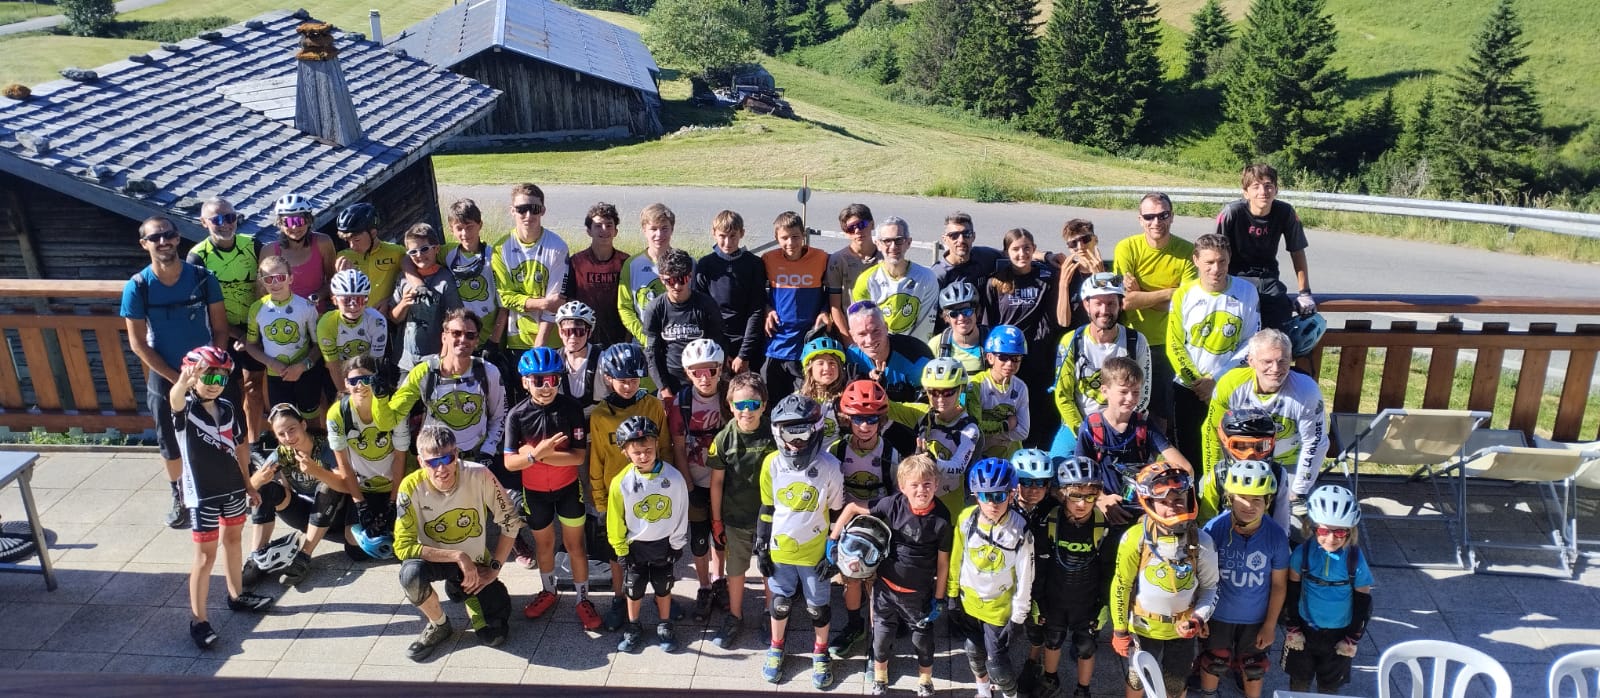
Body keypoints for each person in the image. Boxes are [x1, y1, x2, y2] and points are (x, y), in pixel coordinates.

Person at [124, 215, 230, 528]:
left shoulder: (203, 277)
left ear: (178, 237)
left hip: (208, 372)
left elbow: (220, 328)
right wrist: (179, 381)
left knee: (220, 431)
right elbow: (138, 344)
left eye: (168, 235)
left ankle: (225, 488)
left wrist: (214, 366)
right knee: (169, 441)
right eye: (154, 238)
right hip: (165, 376)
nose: (163, 242)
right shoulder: (138, 286)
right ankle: (179, 494)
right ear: (144, 244)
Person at [168, 347, 274, 650]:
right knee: (205, 557)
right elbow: (175, 400)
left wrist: (248, 485)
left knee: (233, 540)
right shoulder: (186, 410)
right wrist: (183, 382)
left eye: (222, 378)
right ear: (193, 376)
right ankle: (198, 620)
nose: (215, 384)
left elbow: (239, 447)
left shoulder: (227, 407)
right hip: (202, 493)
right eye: (209, 377)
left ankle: (236, 595)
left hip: (232, 487)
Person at [394, 424, 523, 661]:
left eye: (447, 458)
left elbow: (511, 522)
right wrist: (457, 556)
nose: (441, 468)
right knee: (410, 576)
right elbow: (402, 547)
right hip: (435, 560)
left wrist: (494, 569)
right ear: (421, 462)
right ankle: (439, 624)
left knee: (494, 635)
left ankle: (464, 590)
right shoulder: (409, 486)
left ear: (456, 454)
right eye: (433, 462)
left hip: (475, 561)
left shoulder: (479, 475)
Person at [829, 453, 950, 697]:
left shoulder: (942, 518)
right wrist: (832, 540)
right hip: (885, 589)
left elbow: (943, 562)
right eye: (914, 485)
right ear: (902, 486)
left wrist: (939, 598)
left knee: (923, 642)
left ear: (936, 484)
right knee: (881, 640)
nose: (921, 490)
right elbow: (852, 507)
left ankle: (925, 681)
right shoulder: (892, 504)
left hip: (919, 594)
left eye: (927, 484)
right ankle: (880, 678)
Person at [756, 394, 846, 689]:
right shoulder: (771, 464)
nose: (795, 443)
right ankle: (776, 646)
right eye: (788, 434)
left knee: (818, 608)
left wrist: (833, 552)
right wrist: (761, 545)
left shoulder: (830, 466)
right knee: (780, 603)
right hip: (780, 550)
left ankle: (820, 652)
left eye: (802, 433)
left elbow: (836, 513)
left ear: (816, 430)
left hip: (815, 552)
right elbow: (767, 508)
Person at [504, 347, 597, 628]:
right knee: (543, 546)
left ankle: (583, 599)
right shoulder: (517, 416)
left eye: (553, 380)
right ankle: (548, 591)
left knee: (575, 546)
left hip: (568, 488)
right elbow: (510, 463)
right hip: (534, 494)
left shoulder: (571, 409)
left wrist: (537, 454)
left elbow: (578, 457)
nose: (546, 387)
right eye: (538, 380)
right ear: (525, 382)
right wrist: (534, 455)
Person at [1109, 462, 1219, 698]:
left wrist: (1198, 619)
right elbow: (1121, 584)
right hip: (1143, 627)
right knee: (1136, 681)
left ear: (1189, 498)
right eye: (1164, 502)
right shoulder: (1134, 538)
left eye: (1178, 499)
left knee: (1176, 684)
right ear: (1149, 503)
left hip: (1182, 629)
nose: (1172, 507)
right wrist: (1119, 629)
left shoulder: (1203, 541)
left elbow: (1211, 587)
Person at [1201, 330, 1328, 528]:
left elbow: (1315, 442)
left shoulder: (1306, 391)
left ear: (1291, 359)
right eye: (1267, 361)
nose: (1275, 369)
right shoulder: (1230, 384)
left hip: (1287, 463)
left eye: (1282, 361)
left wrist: (1299, 490)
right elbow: (1212, 432)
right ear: (1251, 361)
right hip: (1240, 459)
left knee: (1295, 526)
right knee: (1211, 501)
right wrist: (1214, 475)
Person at [587, 342, 673, 631]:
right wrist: (600, 503)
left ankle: (660, 597)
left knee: (655, 549)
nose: (628, 386)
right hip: (617, 497)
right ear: (608, 378)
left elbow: (665, 449)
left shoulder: (653, 406)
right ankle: (618, 598)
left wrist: (670, 488)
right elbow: (597, 460)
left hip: (652, 492)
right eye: (622, 380)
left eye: (634, 380)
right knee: (617, 552)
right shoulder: (600, 415)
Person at [825, 379, 903, 661]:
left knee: (875, 583)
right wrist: (832, 535)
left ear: (880, 420)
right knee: (851, 578)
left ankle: (877, 639)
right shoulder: (837, 451)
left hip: (879, 526)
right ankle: (854, 625)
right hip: (846, 526)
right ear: (848, 419)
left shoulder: (890, 454)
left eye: (872, 419)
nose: (865, 426)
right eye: (858, 419)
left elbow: (898, 497)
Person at [1197, 460, 1289, 698]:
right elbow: (1201, 577)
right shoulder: (1213, 529)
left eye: (1257, 499)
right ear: (1230, 498)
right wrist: (1200, 615)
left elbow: (1279, 585)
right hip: (1218, 614)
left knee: (1254, 667)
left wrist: (1270, 625)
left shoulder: (1276, 536)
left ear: (1268, 501)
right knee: (1214, 661)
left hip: (1256, 618)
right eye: (1242, 498)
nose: (1249, 505)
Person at [1167, 234, 1260, 467]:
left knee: (1232, 452)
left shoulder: (1247, 292)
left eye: (1222, 261)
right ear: (1196, 260)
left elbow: (1251, 342)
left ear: (1229, 260)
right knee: (1189, 455)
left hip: (1230, 386)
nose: (1216, 269)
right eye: (1209, 262)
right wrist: (1198, 383)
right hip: (1189, 387)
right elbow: (1174, 344)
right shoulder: (1183, 294)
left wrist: (1217, 379)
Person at [1026, 456, 1115, 698]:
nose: (1082, 504)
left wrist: (1104, 605)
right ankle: (1050, 678)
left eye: (1090, 497)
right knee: (1052, 640)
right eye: (1075, 496)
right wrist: (1037, 600)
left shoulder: (1102, 526)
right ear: (1062, 494)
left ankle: (1083, 689)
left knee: (1086, 646)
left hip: (1087, 601)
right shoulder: (1050, 522)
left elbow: (1108, 570)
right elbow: (1040, 566)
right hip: (1055, 597)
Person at [388, 310, 508, 486]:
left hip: (474, 458)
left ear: (476, 341)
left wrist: (488, 451)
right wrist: (378, 399)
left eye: (470, 335)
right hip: (435, 461)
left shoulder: (488, 371)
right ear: (444, 337)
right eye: (456, 333)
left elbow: (499, 416)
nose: (463, 339)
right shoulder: (425, 372)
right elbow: (392, 415)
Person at [185, 197, 267, 451]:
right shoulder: (197, 256)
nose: (225, 224)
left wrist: (251, 331)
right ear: (203, 222)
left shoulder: (253, 245)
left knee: (254, 386)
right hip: (221, 331)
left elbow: (266, 285)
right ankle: (229, 441)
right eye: (217, 219)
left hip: (254, 327)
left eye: (230, 217)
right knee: (226, 389)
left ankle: (253, 443)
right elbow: (201, 304)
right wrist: (236, 333)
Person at [948, 458, 1034, 698]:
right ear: (976, 496)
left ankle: (1010, 695)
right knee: (973, 651)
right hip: (969, 602)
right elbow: (956, 558)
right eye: (986, 496)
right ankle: (984, 692)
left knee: (998, 666)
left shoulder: (1020, 529)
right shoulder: (966, 519)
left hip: (999, 607)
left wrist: (1019, 616)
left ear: (1011, 494)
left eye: (999, 496)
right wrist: (952, 595)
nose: (992, 503)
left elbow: (1026, 575)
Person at [607, 415, 691, 653]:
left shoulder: (673, 478)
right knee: (633, 588)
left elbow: (681, 511)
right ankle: (634, 626)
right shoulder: (620, 483)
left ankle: (664, 624)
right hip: (636, 546)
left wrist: (677, 544)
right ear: (625, 452)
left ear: (656, 446)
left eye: (648, 450)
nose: (644, 456)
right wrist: (620, 549)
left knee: (664, 586)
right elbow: (615, 519)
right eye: (637, 453)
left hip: (664, 544)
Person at [1114, 192, 1197, 432]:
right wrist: (1170, 292)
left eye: (1163, 215)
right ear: (1140, 219)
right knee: (1126, 405)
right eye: (1149, 217)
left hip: (1168, 342)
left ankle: (1159, 452)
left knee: (1162, 412)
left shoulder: (1187, 252)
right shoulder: (1127, 248)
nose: (1156, 222)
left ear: (1172, 216)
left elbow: (1185, 304)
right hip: (1130, 340)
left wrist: (1141, 294)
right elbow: (1126, 302)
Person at [1075, 357, 1190, 526]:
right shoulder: (1091, 427)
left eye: (1136, 392)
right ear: (1104, 391)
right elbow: (1080, 476)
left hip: (1143, 511)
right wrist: (1101, 499)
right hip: (1105, 510)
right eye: (1123, 392)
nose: (1130, 398)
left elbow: (1185, 467)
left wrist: (1164, 499)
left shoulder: (1144, 425)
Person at [1281, 485, 1373, 695]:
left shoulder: (1355, 560)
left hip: (1339, 634)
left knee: (1329, 687)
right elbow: (1292, 593)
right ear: (1311, 526)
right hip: (1305, 629)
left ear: (1351, 531)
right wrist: (1293, 627)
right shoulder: (1302, 554)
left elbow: (1363, 603)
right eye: (1323, 531)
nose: (1331, 539)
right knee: (1299, 683)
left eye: (1340, 532)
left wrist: (1352, 638)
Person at [707, 372, 776, 649]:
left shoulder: (775, 434)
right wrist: (716, 521)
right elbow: (716, 483)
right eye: (740, 405)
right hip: (735, 518)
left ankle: (770, 614)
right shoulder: (724, 438)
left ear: (764, 405)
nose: (747, 411)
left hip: (770, 518)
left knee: (770, 569)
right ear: (730, 406)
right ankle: (734, 616)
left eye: (753, 404)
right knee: (735, 570)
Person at [664, 338, 730, 622]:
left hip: (724, 480)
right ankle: (704, 586)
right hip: (694, 478)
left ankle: (719, 579)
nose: (705, 378)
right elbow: (678, 448)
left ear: (720, 369)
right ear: (687, 373)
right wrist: (689, 487)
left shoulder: (729, 396)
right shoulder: (682, 402)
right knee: (699, 538)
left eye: (711, 370)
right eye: (696, 372)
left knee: (720, 536)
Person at [1051, 272, 1151, 457]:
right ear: (1086, 305)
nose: (1104, 310)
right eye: (1098, 303)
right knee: (1056, 467)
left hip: (1123, 425)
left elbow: (1143, 394)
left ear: (1121, 304)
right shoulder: (1071, 341)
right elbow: (1063, 395)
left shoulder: (1136, 341)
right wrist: (1085, 433)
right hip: (1080, 424)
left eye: (1111, 303)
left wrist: (1117, 430)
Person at [249, 403, 350, 586]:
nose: (288, 438)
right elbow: (250, 488)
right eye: (281, 434)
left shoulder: (325, 446)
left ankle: (304, 556)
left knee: (327, 487)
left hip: (334, 515)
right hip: (303, 515)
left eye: (292, 429)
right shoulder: (283, 453)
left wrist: (317, 471)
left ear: (303, 425)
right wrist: (259, 479)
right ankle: (257, 557)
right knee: (265, 488)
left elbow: (347, 486)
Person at [324, 354, 409, 562]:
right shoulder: (337, 413)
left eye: (366, 379)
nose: (360, 386)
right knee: (355, 549)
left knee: (402, 544)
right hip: (364, 487)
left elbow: (400, 459)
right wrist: (360, 505)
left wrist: (393, 503)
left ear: (376, 379)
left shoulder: (393, 407)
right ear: (346, 384)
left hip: (395, 485)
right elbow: (343, 464)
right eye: (353, 381)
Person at [981, 228, 1062, 444]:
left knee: (1037, 409)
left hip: (1036, 354)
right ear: (1006, 252)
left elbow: (1051, 318)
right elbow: (989, 324)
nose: (1022, 254)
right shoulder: (995, 282)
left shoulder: (1046, 278)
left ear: (1034, 249)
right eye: (1015, 249)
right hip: (1005, 356)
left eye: (1027, 248)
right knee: (1006, 406)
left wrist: (1048, 257)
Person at [1214, 164, 1315, 333]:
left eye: (1268, 186)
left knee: (1279, 332)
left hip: (1268, 279)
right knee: (1233, 329)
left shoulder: (1285, 212)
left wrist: (1304, 292)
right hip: (1235, 278)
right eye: (1256, 186)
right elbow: (1215, 252)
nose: (1263, 191)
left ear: (1276, 190)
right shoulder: (1231, 213)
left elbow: (1297, 251)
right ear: (1246, 192)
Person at [887, 358, 981, 515]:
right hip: (919, 499)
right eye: (934, 392)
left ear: (961, 390)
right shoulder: (923, 413)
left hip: (949, 503)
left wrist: (933, 461)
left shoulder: (969, 428)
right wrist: (877, 386)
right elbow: (888, 408)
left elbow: (958, 468)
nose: (940, 399)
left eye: (948, 392)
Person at [245, 255, 326, 423]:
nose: (275, 283)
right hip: (276, 375)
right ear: (262, 282)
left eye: (280, 277)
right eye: (269, 279)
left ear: (291, 278)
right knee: (282, 421)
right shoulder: (256, 308)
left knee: (311, 421)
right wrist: (271, 363)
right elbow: (250, 345)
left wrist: (302, 366)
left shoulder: (306, 306)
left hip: (305, 372)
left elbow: (318, 346)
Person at [762, 210, 831, 404]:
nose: (790, 243)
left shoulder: (822, 258)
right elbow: (755, 292)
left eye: (795, 237)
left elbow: (833, 290)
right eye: (784, 238)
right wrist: (767, 309)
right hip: (775, 343)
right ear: (776, 237)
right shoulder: (768, 259)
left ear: (803, 235)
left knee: (806, 402)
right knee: (771, 402)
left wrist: (825, 310)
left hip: (807, 342)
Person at [492, 183, 570, 351]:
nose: (528, 215)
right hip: (517, 339)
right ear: (512, 211)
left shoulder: (558, 247)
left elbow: (555, 304)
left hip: (551, 341)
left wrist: (538, 348)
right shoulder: (500, 249)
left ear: (543, 210)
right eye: (522, 209)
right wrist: (543, 303)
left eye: (534, 209)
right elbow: (505, 298)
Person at [644, 248, 727, 400]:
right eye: (671, 280)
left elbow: (718, 344)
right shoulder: (655, 308)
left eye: (681, 279)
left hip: (703, 379)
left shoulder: (706, 305)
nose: (677, 286)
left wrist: (713, 381)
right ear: (662, 279)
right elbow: (652, 353)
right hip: (671, 381)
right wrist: (664, 388)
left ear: (690, 276)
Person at [1011, 449, 1060, 697]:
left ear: (1048, 485)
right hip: (1012, 576)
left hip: (1044, 575)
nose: (1033, 489)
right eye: (1026, 482)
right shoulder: (1004, 505)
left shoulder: (1055, 510)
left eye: (1040, 483)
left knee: (1039, 625)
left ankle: (1033, 660)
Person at [695, 210, 767, 374]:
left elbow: (756, 310)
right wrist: (721, 349)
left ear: (742, 233)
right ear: (714, 233)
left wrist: (744, 354)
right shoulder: (705, 265)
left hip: (748, 343)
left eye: (733, 236)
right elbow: (703, 312)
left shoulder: (754, 264)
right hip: (716, 342)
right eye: (722, 236)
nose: (727, 242)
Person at [390, 224, 463, 373]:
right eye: (413, 251)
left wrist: (445, 355)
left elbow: (454, 320)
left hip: (434, 358)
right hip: (405, 360)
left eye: (424, 249)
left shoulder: (445, 280)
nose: (419, 255)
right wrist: (403, 303)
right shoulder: (403, 278)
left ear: (436, 249)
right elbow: (394, 318)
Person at [853, 216, 939, 340]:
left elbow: (925, 327)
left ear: (908, 242)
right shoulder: (865, 280)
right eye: (887, 241)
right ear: (878, 244)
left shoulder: (927, 278)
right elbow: (863, 326)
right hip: (878, 347)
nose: (893, 246)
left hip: (914, 348)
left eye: (899, 240)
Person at [441, 199, 505, 353]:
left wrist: (494, 341)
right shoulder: (447, 253)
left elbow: (505, 305)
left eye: (470, 227)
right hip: (461, 338)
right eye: (459, 228)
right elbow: (412, 259)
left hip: (490, 337)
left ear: (480, 225)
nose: (465, 234)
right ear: (451, 229)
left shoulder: (494, 256)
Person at [564, 202, 631, 348]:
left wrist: (628, 339)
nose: (604, 230)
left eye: (609, 225)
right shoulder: (576, 262)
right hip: (585, 337)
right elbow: (569, 300)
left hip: (619, 337)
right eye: (598, 225)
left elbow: (631, 303)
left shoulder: (626, 262)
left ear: (616, 231)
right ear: (589, 231)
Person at [843, 301, 935, 404]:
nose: (870, 340)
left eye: (875, 331)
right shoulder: (852, 356)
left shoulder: (917, 361)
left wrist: (883, 395)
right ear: (853, 336)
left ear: (886, 328)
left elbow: (931, 407)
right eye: (862, 334)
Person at [317, 268, 388, 395]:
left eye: (360, 300)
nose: (353, 306)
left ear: (367, 299)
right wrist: (345, 393)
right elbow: (333, 365)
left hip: (367, 370)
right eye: (346, 300)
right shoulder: (326, 323)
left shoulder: (377, 321)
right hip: (341, 372)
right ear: (334, 300)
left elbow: (375, 363)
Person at [264, 193, 337, 312]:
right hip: (281, 316)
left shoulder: (323, 243)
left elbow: (333, 280)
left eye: (299, 221)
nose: (294, 227)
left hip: (316, 314)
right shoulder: (269, 251)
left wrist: (316, 296)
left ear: (309, 221)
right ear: (280, 224)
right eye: (288, 222)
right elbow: (262, 290)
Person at [618, 203, 677, 348]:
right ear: (644, 230)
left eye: (664, 228)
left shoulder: (686, 262)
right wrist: (644, 337)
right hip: (644, 343)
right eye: (653, 229)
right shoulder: (632, 265)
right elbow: (625, 307)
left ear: (672, 229)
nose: (659, 235)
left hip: (677, 343)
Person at [331, 202, 403, 313]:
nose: (352, 246)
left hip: (388, 317)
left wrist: (390, 300)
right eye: (347, 240)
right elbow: (334, 297)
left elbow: (408, 284)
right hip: (357, 318)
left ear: (373, 233)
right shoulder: (343, 257)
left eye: (357, 240)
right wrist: (341, 279)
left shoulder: (397, 252)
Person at [824, 203, 882, 343]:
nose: (857, 231)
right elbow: (835, 307)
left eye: (861, 225)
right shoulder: (837, 260)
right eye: (850, 228)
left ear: (872, 224)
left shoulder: (885, 256)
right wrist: (849, 342)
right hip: (853, 332)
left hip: (882, 329)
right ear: (845, 232)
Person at [972, 325, 1031, 458]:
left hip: (1012, 457)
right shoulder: (977, 385)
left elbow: (1023, 432)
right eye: (1003, 357)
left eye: (1015, 358)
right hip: (981, 457)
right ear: (990, 357)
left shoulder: (1020, 387)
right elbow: (974, 427)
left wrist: (993, 438)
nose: (1009, 364)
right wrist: (1006, 425)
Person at [553, 300, 609, 415]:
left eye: (579, 332)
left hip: (597, 420)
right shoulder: (554, 360)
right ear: (560, 332)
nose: (573, 337)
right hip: (564, 420)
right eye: (567, 332)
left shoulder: (603, 360)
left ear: (589, 333)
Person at [1054, 219, 1106, 331]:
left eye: (1085, 239)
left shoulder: (1109, 271)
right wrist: (1063, 284)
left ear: (1095, 240)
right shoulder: (1067, 273)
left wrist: (1099, 279)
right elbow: (1063, 322)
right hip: (1076, 334)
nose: (1080, 246)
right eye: (1073, 243)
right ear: (1069, 248)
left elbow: (1108, 316)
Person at [797, 336, 850, 445]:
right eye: (820, 363)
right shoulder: (797, 400)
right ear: (810, 369)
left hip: (835, 453)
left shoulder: (846, 398)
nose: (827, 368)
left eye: (832, 363)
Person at [928, 280, 988, 375]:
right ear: (947, 317)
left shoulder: (993, 340)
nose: (961, 318)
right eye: (954, 314)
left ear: (977, 312)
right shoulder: (936, 345)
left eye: (967, 311)